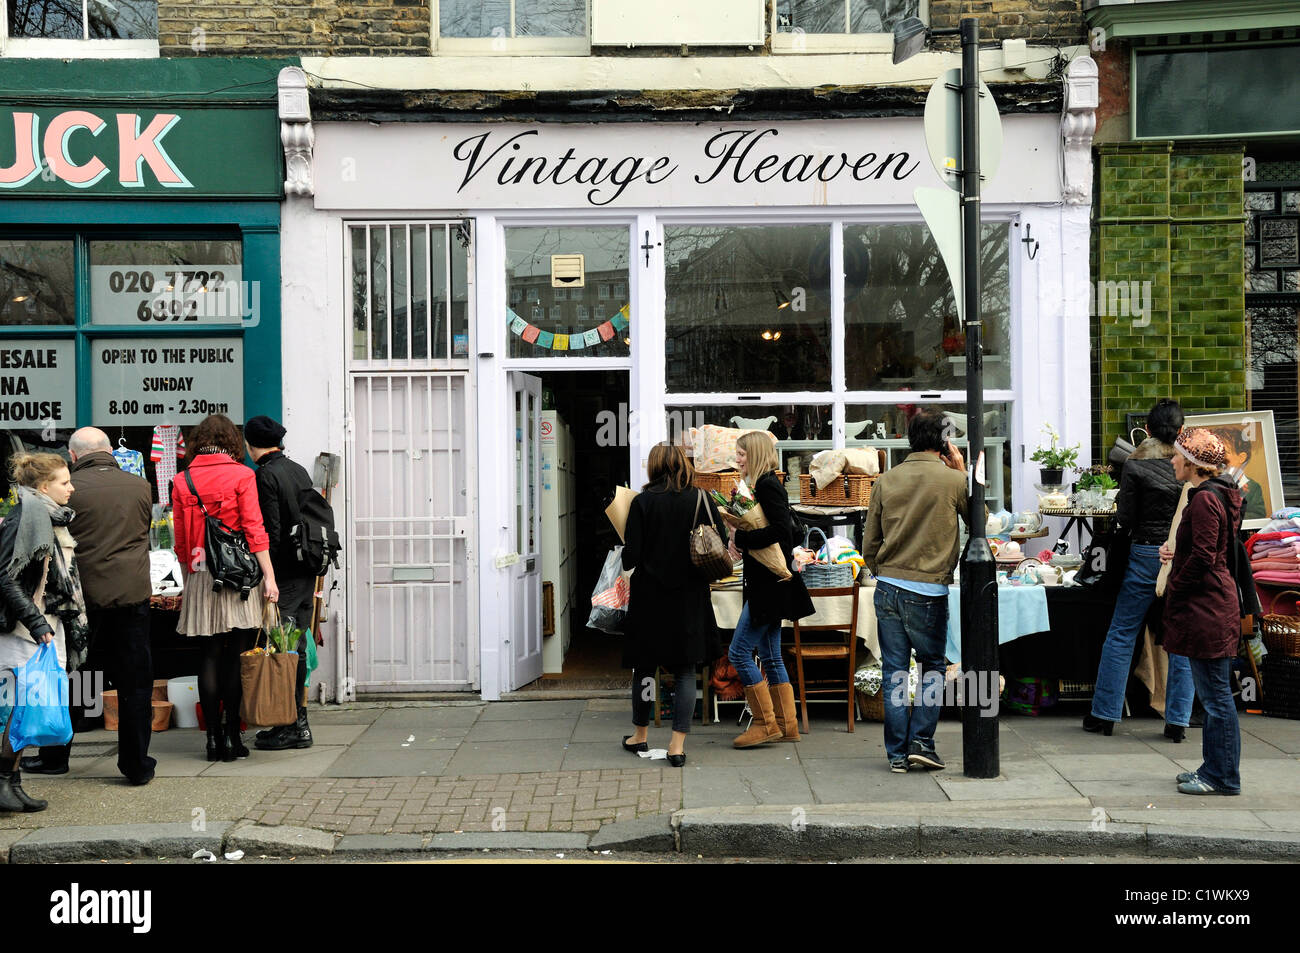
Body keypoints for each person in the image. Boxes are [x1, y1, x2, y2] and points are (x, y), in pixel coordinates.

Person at [22, 428, 156, 784]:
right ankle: (136, 765)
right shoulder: (141, 486)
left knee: (74, 678)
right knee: (135, 684)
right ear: (110, 451)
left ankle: (55, 755)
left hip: (80, 603)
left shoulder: (68, 490)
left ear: (74, 455)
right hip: (131, 598)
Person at [861, 408, 967, 773]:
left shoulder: (886, 480)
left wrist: (883, 571)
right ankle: (922, 741)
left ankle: (896, 754)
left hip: (888, 587)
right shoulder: (952, 481)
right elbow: (979, 522)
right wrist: (963, 472)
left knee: (894, 671)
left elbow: (869, 544)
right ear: (944, 441)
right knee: (932, 668)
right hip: (929, 590)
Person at [1085, 399, 1196, 741]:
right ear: (1181, 430)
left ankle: (1104, 714)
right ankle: (1177, 721)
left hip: (1145, 553)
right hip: (1181, 555)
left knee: (1122, 632)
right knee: (1180, 638)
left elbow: (1126, 520)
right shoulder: (1191, 466)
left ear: (1147, 430)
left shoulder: (1135, 467)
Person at [171, 414, 278, 762]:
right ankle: (234, 736)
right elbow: (254, 529)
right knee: (238, 654)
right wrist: (270, 578)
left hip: (202, 572)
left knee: (210, 654)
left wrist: (190, 580)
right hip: (240, 576)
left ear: (197, 442)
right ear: (232, 441)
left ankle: (213, 740)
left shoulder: (182, 480)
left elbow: (182, 542)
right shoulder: (243, 475)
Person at [619, 444, 720, 767]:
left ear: (654, 468)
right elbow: (718, 542)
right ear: (684, 465)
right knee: (685, 670)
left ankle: (640, 735)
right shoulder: (701, 498)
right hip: (690, 595)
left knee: (646, 669)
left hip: (650, 597)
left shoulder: (642, 502)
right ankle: (677, 746)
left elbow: (631, 556)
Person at [0, 451, 88, 813]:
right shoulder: (29, 514)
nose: (72, 488)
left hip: (40, 625)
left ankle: (12, 782)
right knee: (15, 710)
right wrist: (36, 624)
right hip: (23, 630)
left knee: (24, 709)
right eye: (65, 482)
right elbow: (5, 574)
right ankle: (4, 782)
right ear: (43, 486)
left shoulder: (46, 515)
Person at [1159, 429, 1245, 796]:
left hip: (1208, 608)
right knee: (1214, 696)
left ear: (1194, 463)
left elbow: (1206, 556)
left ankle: (1221, 778)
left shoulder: (1204, 501)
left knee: (1216, 699)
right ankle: (1212, 768)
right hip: (1212, 605)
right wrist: (1176, 555)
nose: (1173, 460)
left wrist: (1176, 584)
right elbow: (1208, 550)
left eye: (1178, 456)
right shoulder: (1213, 496)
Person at [722, 431, 814, 748]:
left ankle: (764, 723)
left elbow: (780, 533)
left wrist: (741, 539)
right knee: (772, 656)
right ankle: (788, 725)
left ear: (756, 453)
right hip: (773, 585)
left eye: (742, 454)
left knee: (738, 652)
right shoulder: (766, 483)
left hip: (767, 586)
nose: (737, 459)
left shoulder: (766, 485)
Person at [244, 415, 317, 752]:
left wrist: (267, 574)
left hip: (284, 573)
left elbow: (270, 531)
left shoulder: (266, 475)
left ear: (250, 445)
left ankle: (290, 725)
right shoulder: (297, 470)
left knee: (282, 647)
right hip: (306, 570)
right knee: (296, 647)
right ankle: (296, 723)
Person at [1217, 428, 1266, 522]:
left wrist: (1228, 516)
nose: (1219, 457)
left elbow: (1258, 514)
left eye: (1224, 452)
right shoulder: (1210, 482)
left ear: (1241, 458)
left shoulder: (1253, 487)